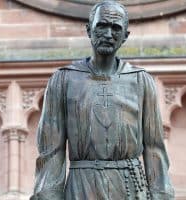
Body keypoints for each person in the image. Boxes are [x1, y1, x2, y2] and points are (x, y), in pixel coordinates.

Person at [30, 1, 174, 199]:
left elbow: (155, 148)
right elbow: (51, 152)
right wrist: (47, 195)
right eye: (102, 26)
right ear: (89, 30)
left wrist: (161, 195)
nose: (108, 34)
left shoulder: (141, 80)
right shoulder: (63, 80)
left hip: (130, 186)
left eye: (116, 28)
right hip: (82, 186)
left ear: (125, 36)